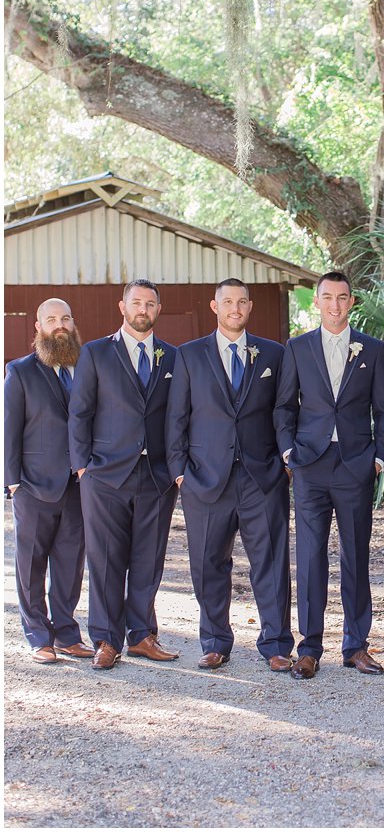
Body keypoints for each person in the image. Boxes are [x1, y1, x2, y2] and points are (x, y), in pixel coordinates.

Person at [166, 278, 294, 671]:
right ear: (214, 306)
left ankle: (275, 644)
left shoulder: (273, 353)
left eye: (241, 302)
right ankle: (215, 641)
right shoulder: (189, 355)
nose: (235, 308)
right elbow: (177, 417)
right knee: (207, 564)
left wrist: (284, 464)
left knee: (270, 562)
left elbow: (284, 410)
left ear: (250, 307)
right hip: (205, 479)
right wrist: (180, 473)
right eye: (227, 302)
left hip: (262, 478)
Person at [275, 271, 384, 680]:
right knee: (309, 558)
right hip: (310, 465)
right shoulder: (298, 348)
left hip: (355, 463)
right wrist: (290, 452)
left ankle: (356, 646)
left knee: (356, 555)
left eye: (343, 297)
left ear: (351, 301)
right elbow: (284, 407)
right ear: (317, 302)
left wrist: (377, 459)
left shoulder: (373, 350)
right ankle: (308, 648)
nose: (335, 305)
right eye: (328, 297)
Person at [68, 279, 179, 670]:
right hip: (104, 475)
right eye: (137, 303)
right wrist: (83, 466)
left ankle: (142, 635)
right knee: (106, 560)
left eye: (150, 303)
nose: (143, 309)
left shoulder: (172, 356)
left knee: (149, 560)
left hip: (156, 474)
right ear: (123, 307)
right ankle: (106, 639)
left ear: (158, 310)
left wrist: (175, 467)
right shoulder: (96, 353)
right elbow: (79, 412)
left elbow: (179, 415)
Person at [4, 299, 93, 664]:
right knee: (32, 563)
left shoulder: (88, 366)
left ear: (73, 325)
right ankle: (39, 635)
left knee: (71, 564)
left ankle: (68, 634)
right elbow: (9, 429)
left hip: (80, 485)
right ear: (38, 328)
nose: (60, 325)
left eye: (66, 318)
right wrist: (11, 481)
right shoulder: (20, 371)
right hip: (33, 485)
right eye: (51, 319)